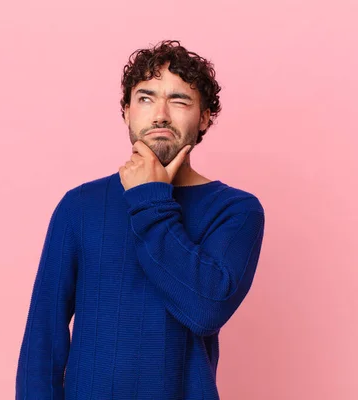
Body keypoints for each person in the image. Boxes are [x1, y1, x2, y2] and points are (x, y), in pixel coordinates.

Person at [15, 39, 265, 400]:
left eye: (179, 100)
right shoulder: (79, 206)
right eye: (146, 98)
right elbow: (42, 341)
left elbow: (205, 309)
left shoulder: (236, 211)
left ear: (206, 116)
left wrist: (150, 200)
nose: (160, 114)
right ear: (126, 112)